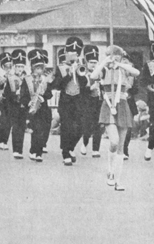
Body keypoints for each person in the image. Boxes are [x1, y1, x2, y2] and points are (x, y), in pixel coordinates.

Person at [91, 45, 140, 191]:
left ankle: (117, 179)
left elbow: (136, 72)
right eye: (111, 55)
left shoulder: (124, 68)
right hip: (108, 104)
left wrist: (120, 64)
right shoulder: (104, 69)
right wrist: (104, 62)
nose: (114, 58)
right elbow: (93, 76)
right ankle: (110, 170)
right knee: (113, 141)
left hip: (122, 105)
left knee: (120, 147)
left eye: (116, 56)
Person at [52, 37, 88, 166]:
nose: (73, 55)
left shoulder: (82, 67)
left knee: (81, 126)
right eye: (70, 53)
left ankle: (70, 147)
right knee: (66, 126)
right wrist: (69, 74)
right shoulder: (60, 68)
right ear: (66, 53)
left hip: (79, 100)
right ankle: (65, 153)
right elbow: (57, 85)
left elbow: (85, 85)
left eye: (76, 53)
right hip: (65, 101)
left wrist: (78, 72)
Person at [26, 49, 54, 162]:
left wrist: (43, 97)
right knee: (36, 131)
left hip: (44, 109)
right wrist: (28, 102)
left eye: (41, 68)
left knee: (45, 130)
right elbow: (24, 94)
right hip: (33, 109)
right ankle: (35, 152)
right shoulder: (27, 80)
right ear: (33, 68)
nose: (39, 71)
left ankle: (40, 150)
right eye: (37, 68)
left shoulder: (45, 80)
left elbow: (50, 94)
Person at [3, 49, 30, 159]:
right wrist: (14, 96)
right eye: (18, 67)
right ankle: (15, 150)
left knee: (22, 127)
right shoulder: (10, 78)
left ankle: (20, 149)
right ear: (14, 67)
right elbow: (6, 94)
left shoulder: (27, 78)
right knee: (16, 127)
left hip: (23, 106)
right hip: (14, 105)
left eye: (22, 67)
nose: (20, 69)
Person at [80, 45, 103, 158]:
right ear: (86, 62)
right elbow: (79, 89)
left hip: (98, 101)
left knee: (98, 125)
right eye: (91, 62)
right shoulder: (82, 72)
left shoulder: (101, 72)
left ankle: (95, 149)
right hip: (86, 102)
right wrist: (90, 88)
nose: (93, 65)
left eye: (95, 62)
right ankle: (84, 143)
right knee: (87, 125)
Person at [0, 52, 12, 151]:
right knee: (3, 120)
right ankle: (1, 140)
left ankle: (4, 141)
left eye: (10, 65)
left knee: (8, 120)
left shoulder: (12, 73)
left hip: (8, 99)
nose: (8, 67)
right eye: (6, 65)